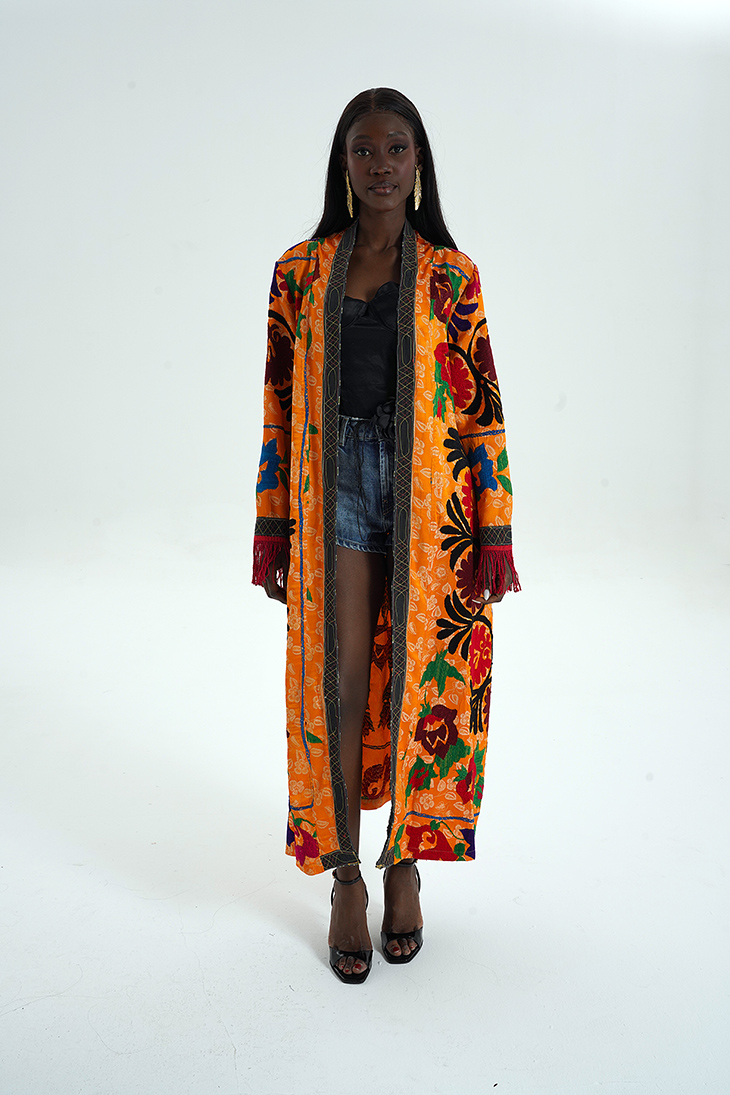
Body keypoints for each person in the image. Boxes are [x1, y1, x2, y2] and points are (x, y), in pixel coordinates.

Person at [253, 88, 519, 984]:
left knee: (416, 675)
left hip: (428, 500)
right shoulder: (299, 271)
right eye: (363, 150)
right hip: (331, 485)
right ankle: (345, 877)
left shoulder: (453, 276)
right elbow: (277, 403)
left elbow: (483, 407)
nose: (380, 165)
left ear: (418, 162)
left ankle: (403, 862)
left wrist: (494, 525)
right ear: (343, 162)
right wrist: (272, 520)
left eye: (396, 148)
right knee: (338, 678)